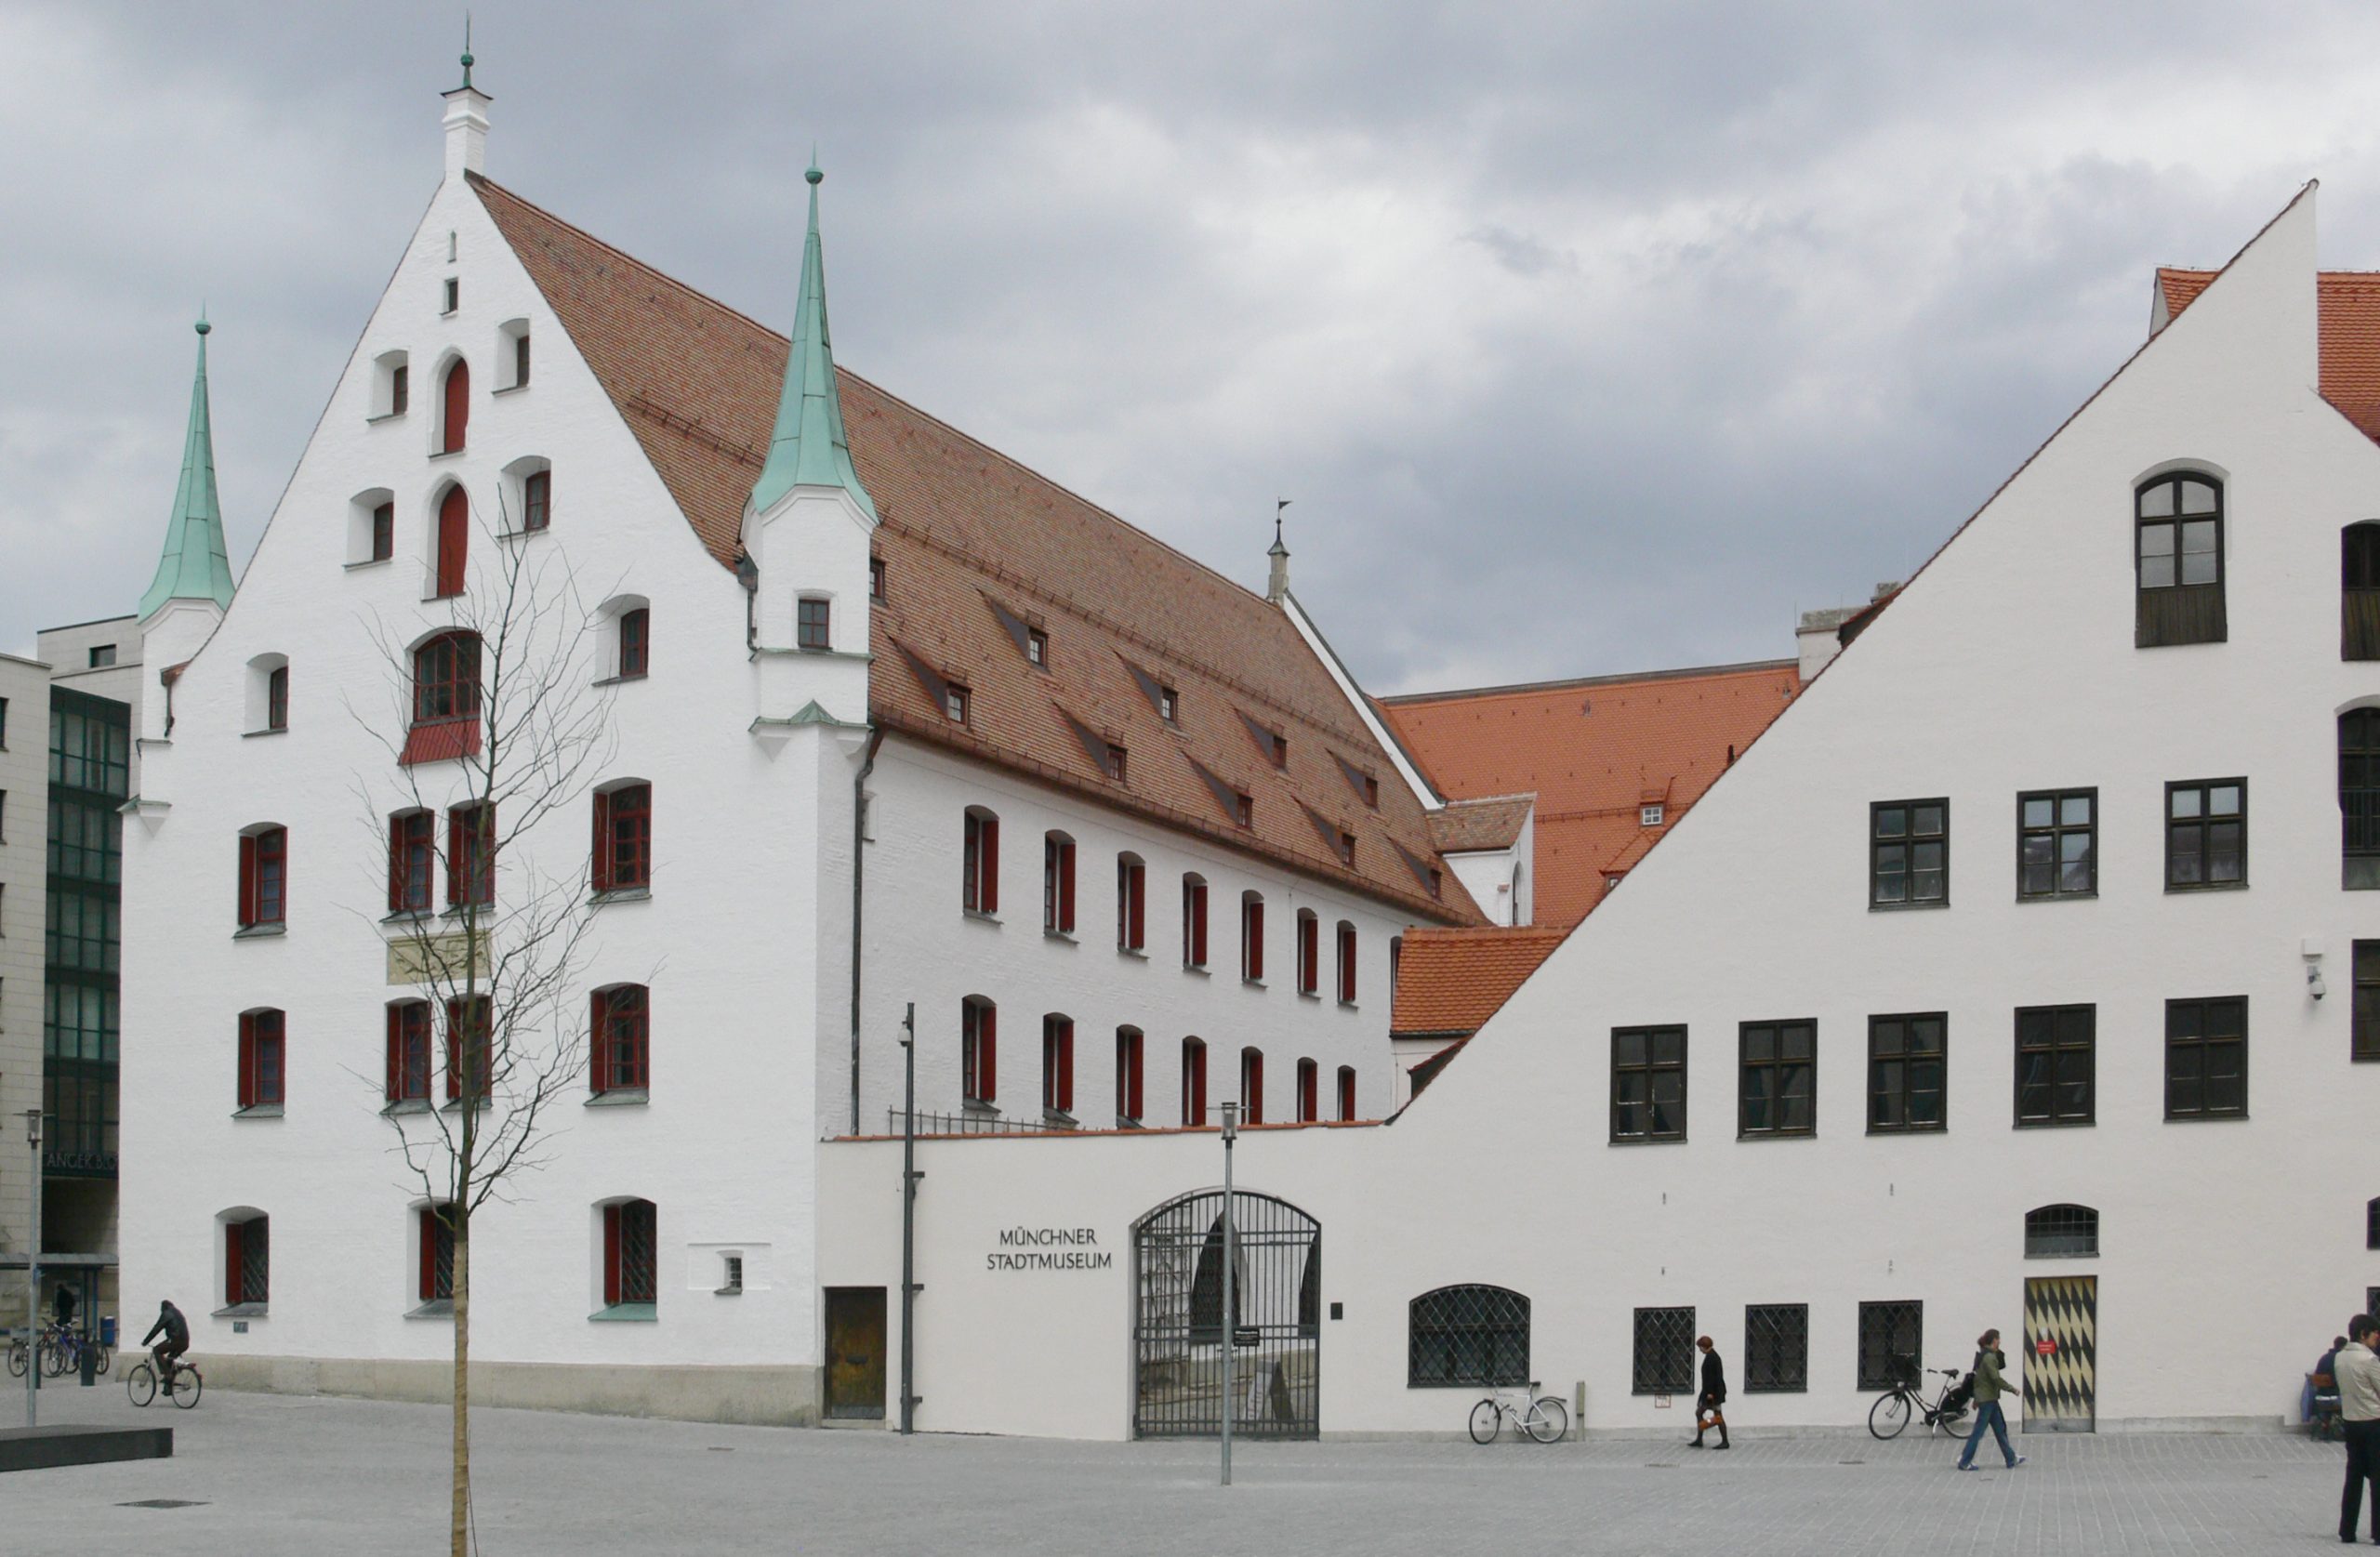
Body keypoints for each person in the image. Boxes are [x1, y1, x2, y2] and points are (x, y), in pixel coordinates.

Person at [1955, 1328, 2027, 1471]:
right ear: (1994, 1340)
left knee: (2000, 1429)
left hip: (1989, 1398)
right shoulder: (1989, 1357)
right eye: (1999, 1339)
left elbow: (1979, 1379)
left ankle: (2011, 1458)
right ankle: (1964, 1461)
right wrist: (2012, 1389)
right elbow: (1995, 1378)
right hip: (1988, 1400)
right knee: (1978, 1432)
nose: (2000, 1342)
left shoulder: (1983, 1355)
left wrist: (1976, 1399)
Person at [2339, 1313, 2380, 1545]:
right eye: (2374, 1333)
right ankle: (2378, 1531)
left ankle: (2347, 1530)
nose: (2377, 1337)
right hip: (2373, 1422)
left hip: (2351, 1422)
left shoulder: (2340, 1358)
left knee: (2353, 1477)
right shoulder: (2369, 1360)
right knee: (2378, 1478)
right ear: (2363, 1334)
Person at [1689, 1334, 1729, 1449]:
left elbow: (1713, 1378)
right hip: (1711, 1392)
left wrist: (1710, 1394)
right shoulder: (1712, 1356)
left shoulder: (1712, 1358)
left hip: (1712, 1393)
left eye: (1700, 1347)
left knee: (1714, 1416)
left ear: (1704, 1346)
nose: (1700, 1350)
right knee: (1709, 1414)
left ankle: (1722, 1440)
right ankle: (1700, 1438)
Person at [141, 1299, 189, 1388]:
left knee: (156, 1350)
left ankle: (167, 1375)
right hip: (185, 1342)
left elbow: (157, 1328)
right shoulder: (177, 1312)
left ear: (163, 1308)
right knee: (170, 1360)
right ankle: (168, 1387)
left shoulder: (166, 1313)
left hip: (175, 1341)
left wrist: (146, 1341)